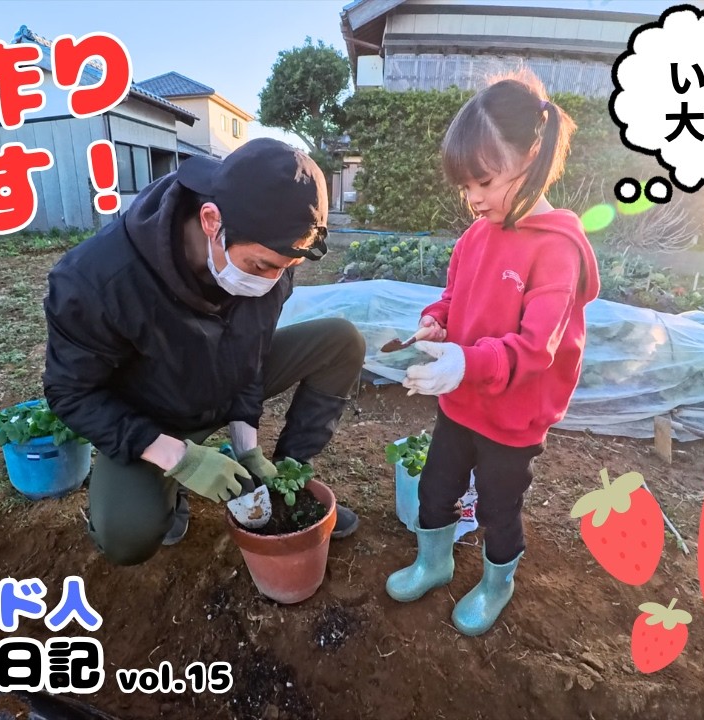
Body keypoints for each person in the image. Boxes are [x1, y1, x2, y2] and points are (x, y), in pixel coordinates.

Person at [43, 138, 364, 567]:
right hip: (154, 412)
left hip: (225, 379)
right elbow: (70, 393)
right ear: (211, 220)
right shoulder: (97, 280)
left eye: (285, 269)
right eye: (260, 266)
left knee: (341, 341)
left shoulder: (272, 259)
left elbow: (253, 350)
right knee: (127, 538)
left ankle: (286, 477)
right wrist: (180, 458)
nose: (271, 281)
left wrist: (246, 442)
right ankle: (168, 487)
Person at [384, 72, 601, 636]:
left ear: (532, 157)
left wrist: (465, 362)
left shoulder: (557, 249)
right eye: (465, 186)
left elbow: (536, 349)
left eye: (484, 181)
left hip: (513, 418)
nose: (473, 198)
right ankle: (434, 563)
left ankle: (496, 585)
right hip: (462, 403)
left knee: (499, 508)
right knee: (436, 488)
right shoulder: (475, 236)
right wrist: (437, 321)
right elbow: (454, 296)